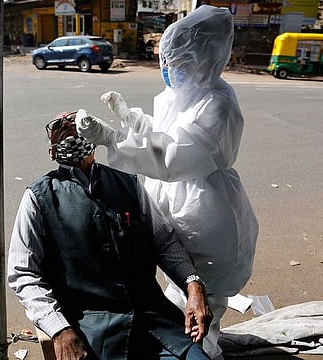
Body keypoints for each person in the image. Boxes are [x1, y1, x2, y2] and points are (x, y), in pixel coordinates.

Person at [75, 5, 258, 359]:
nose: (168, 67)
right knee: (177, 290)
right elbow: (163, 135)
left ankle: (199, 354)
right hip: (178, 203)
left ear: (201, 59)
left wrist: (113, 139)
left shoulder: (216, 103)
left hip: (206, 214)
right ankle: (182, 348)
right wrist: (131, 119)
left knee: (201, 302)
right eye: (167, 59)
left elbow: (173, 158)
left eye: (176, 60)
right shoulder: (184, 93)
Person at [8, 110, 213, 360]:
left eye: (74, 123)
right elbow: (23, 274)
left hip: (157, 324)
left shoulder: (129, 184)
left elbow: (165, 242)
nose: (68, 126)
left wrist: (193, 285)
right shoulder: (38, 197)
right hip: (93, 334)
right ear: (51, 152)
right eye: (59, 128)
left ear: (92, 139)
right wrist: (59, 329)